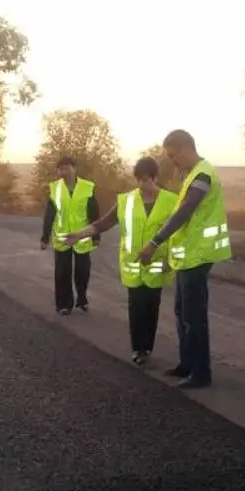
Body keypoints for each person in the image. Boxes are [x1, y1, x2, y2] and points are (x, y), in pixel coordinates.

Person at [136, 130, 231, 389]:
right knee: (181, 313)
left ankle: (201, 373)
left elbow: (185, 212)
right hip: (187, 256)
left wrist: (154, 242)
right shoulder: (189, 174)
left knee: (194, 316)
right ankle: (187, 364)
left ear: (185, 148)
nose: (172, 160)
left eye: (173, 155)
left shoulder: (202, 174)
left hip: (199, 256)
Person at [63, 156, 178, 366]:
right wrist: (80, 234)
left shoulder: (171, 202)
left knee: (151, 308)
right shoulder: (126, 201)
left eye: (147, 180)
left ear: (155, 178)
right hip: (133, 266)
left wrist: (171, 261)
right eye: (139, 180)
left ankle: (147, 346)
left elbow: (180, 235)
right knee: (136, 307)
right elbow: (103, 223)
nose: (143, 185)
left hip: (157, 266)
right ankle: (138, 349)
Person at [40, 156, 100, 315]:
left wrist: (96, 235)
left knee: (83, 271)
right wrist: (45, 237)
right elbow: (49, 214)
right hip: (63, 237)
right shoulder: (55, 189)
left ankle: (82, 298)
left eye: (66, 168)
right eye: (60, 168)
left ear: (75, 168)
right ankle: (64, 304)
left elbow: (94, 213)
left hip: (82, 235)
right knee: (62, 272)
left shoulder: (87, 187)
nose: (63, 171)